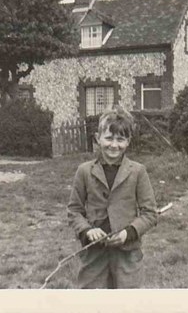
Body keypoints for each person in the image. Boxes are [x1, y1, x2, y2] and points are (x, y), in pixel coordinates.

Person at [67, 106, 158, 289]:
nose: (114, 145)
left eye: (120, 139)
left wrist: (129, 233)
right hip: (94, 255)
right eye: (108, 138)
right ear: (98, 138)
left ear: (128, 141)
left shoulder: (138, 172)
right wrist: (87, 231)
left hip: (127, 256)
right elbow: (74, 210)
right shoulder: (84, 171)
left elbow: (150, 213)